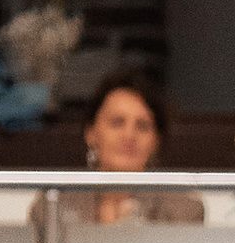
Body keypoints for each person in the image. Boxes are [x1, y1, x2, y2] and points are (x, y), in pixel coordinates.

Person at [29, 72, 205, 232]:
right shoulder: (51, 205)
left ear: (156, 141)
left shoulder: (184, 210)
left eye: (142, 127)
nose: (129, 135)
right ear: (91, 133)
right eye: (117, 123)